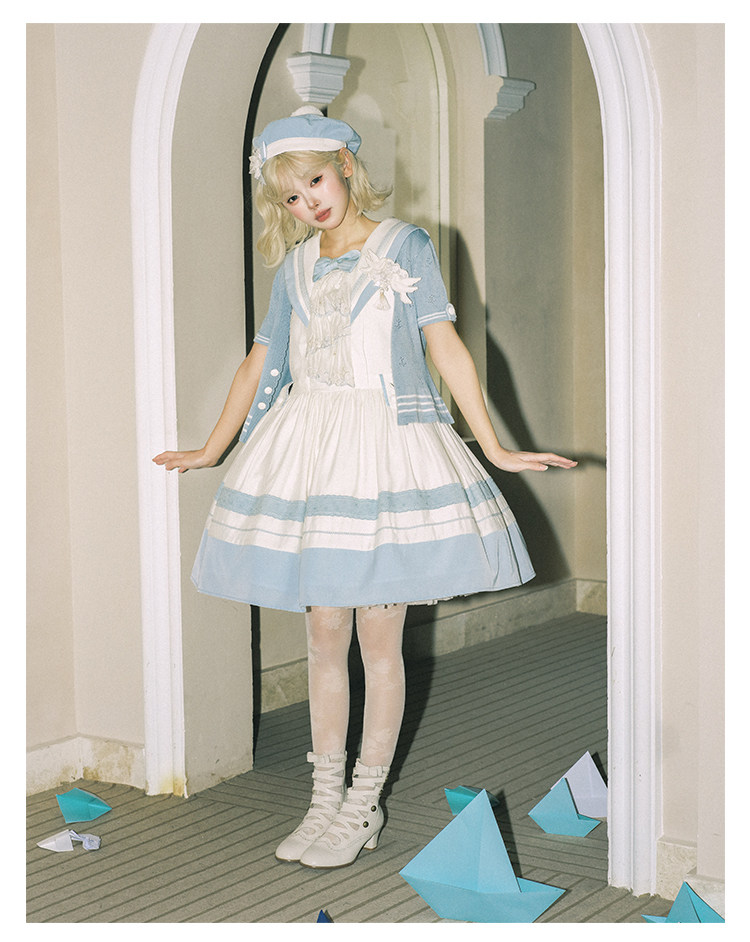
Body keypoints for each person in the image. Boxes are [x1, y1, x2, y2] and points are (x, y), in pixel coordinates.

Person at [153, 106, 577, 870]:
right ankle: (324, 799)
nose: (308, 203)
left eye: (315, 182)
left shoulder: (403, 245)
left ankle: (363, 802)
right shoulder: (295, 268)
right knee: (324, 635)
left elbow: (444, 344)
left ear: (345, 167)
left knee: (380, 642)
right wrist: (212, 447)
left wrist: (495, 445)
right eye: (290, 196)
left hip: (385, 452)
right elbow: (260, 360)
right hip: (314, 455)